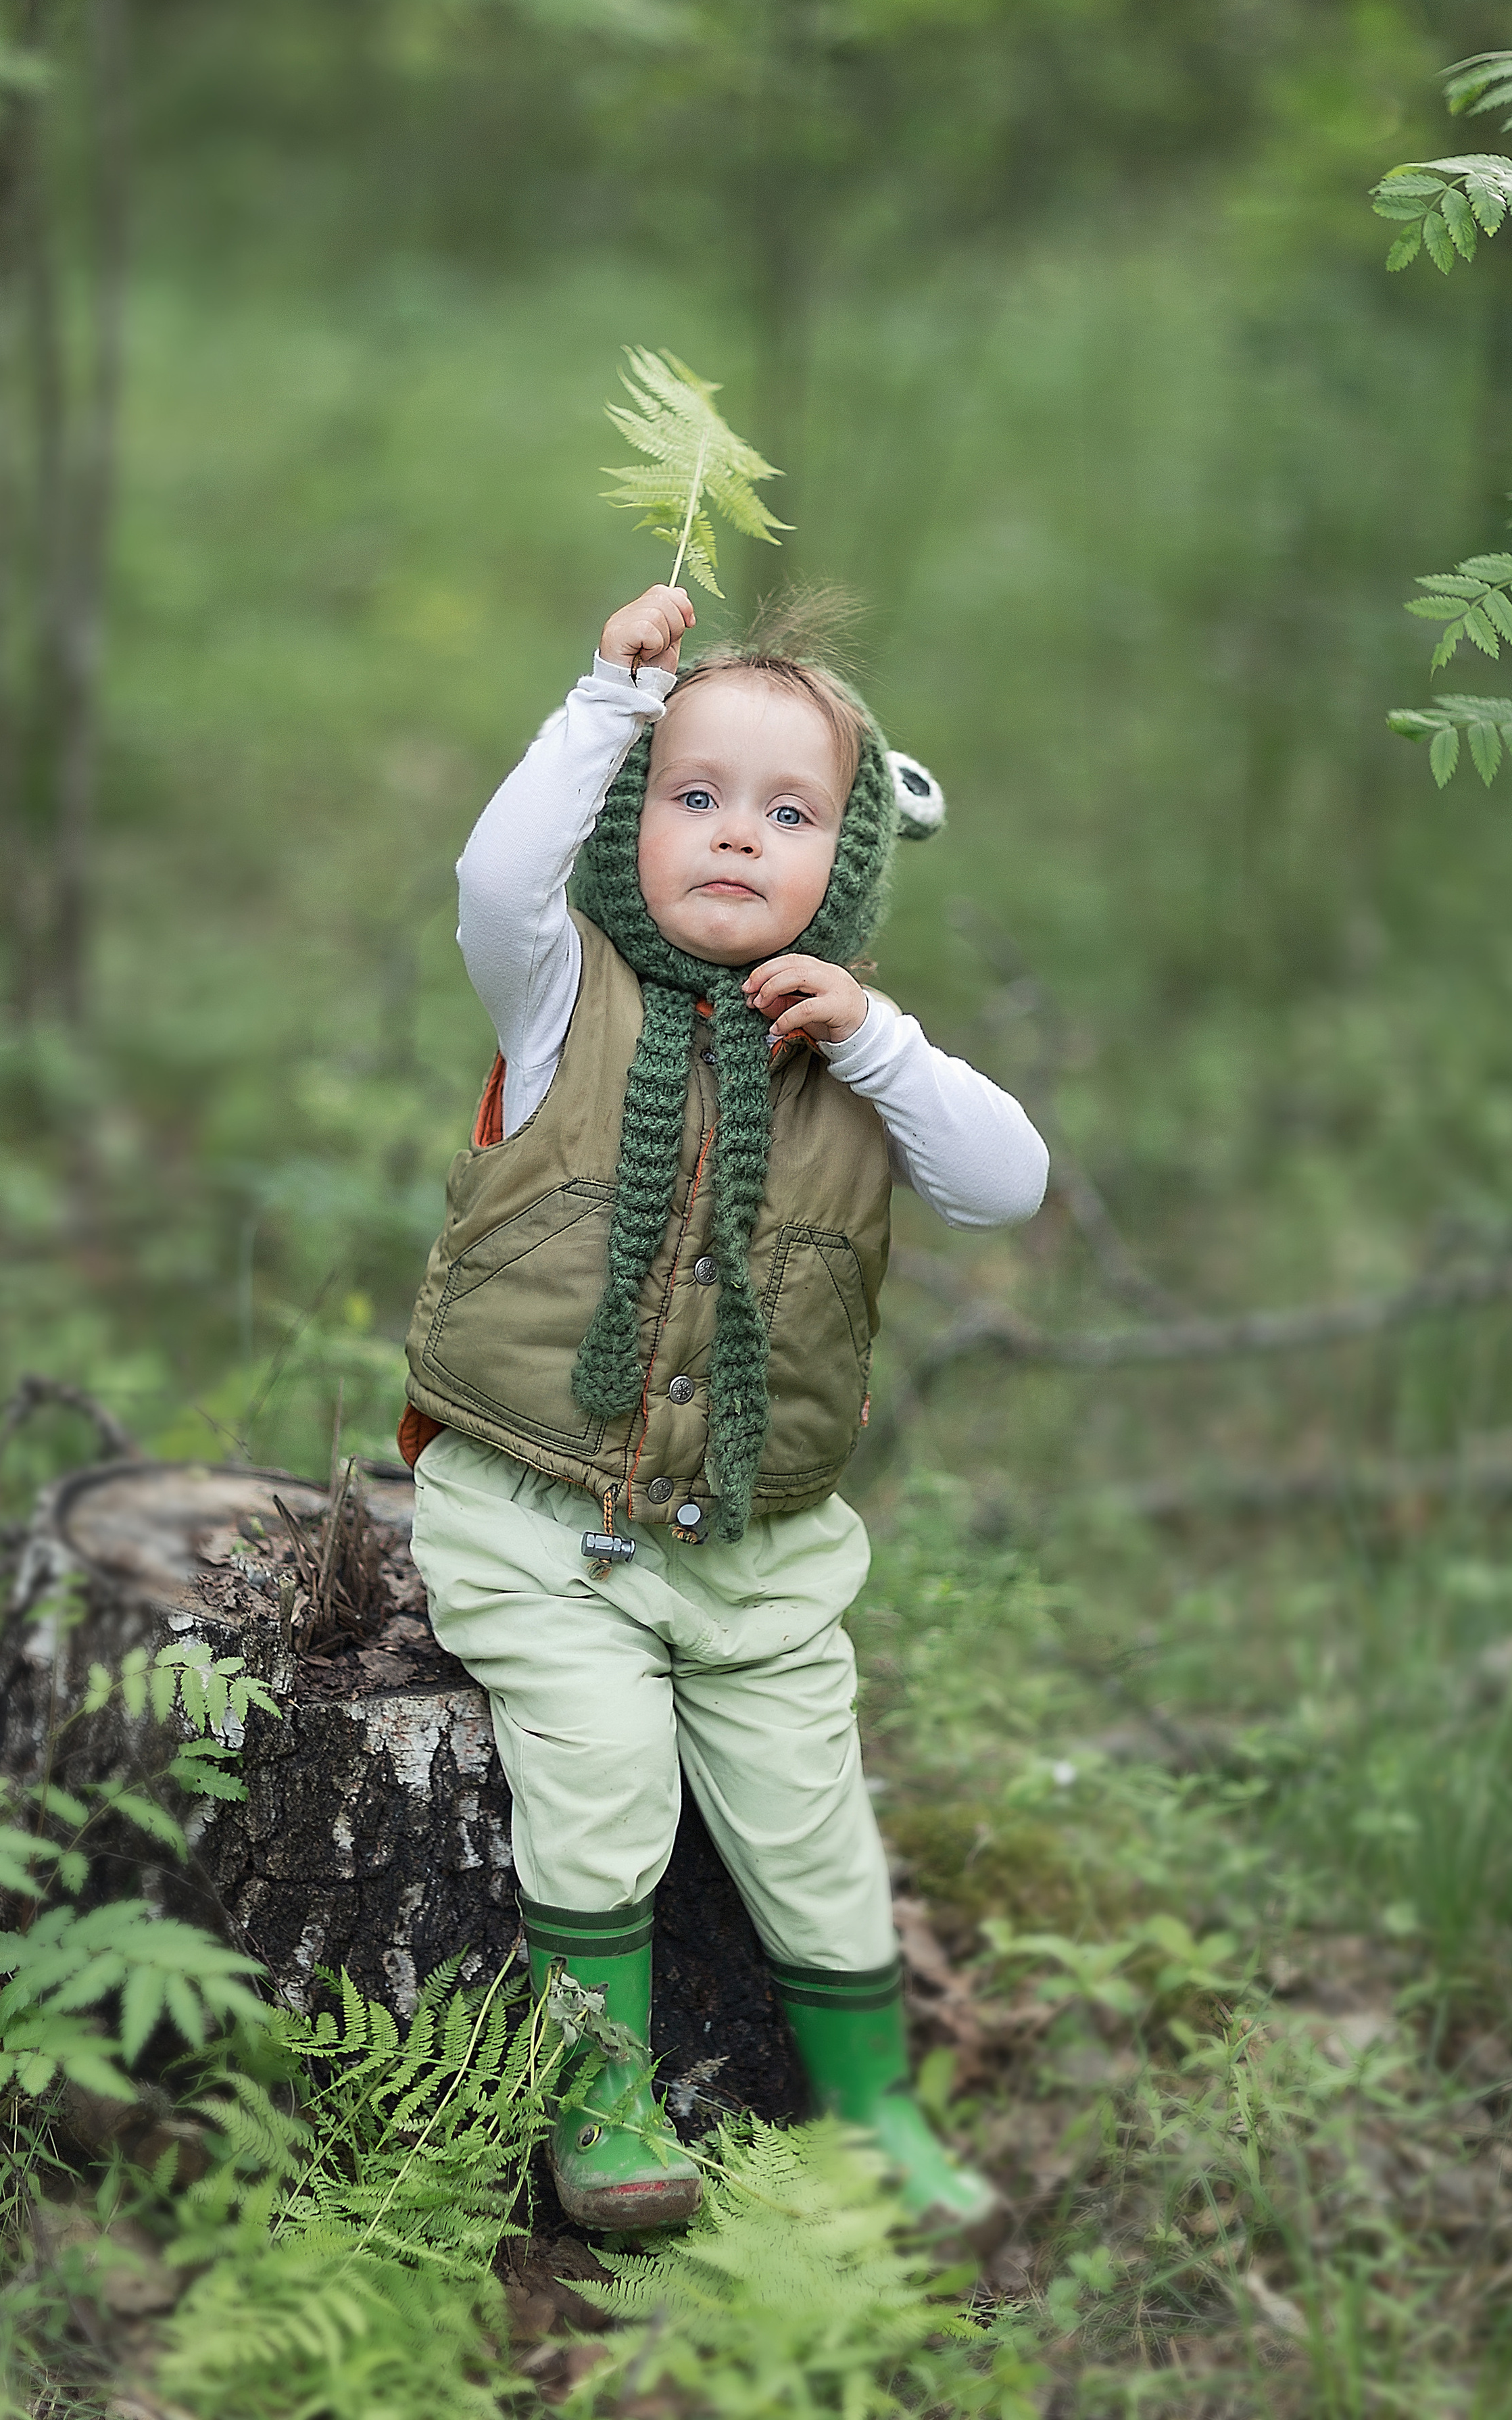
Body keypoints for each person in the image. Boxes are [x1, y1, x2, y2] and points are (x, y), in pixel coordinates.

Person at [398, 582, 1048, 2241]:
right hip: (546, 1520)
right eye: (694, 797)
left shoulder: (859, 1061)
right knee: (601, 1781)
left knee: (812, 1823)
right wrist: (609, 704)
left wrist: (882, 1043)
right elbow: (488, 880)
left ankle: (874, 2102)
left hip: (757, 1547)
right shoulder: (561, 995)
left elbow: (1009, 1185)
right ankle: (598, 2087)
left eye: (788, 811)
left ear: (852, 856)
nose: (737, 838)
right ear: (633, 822)